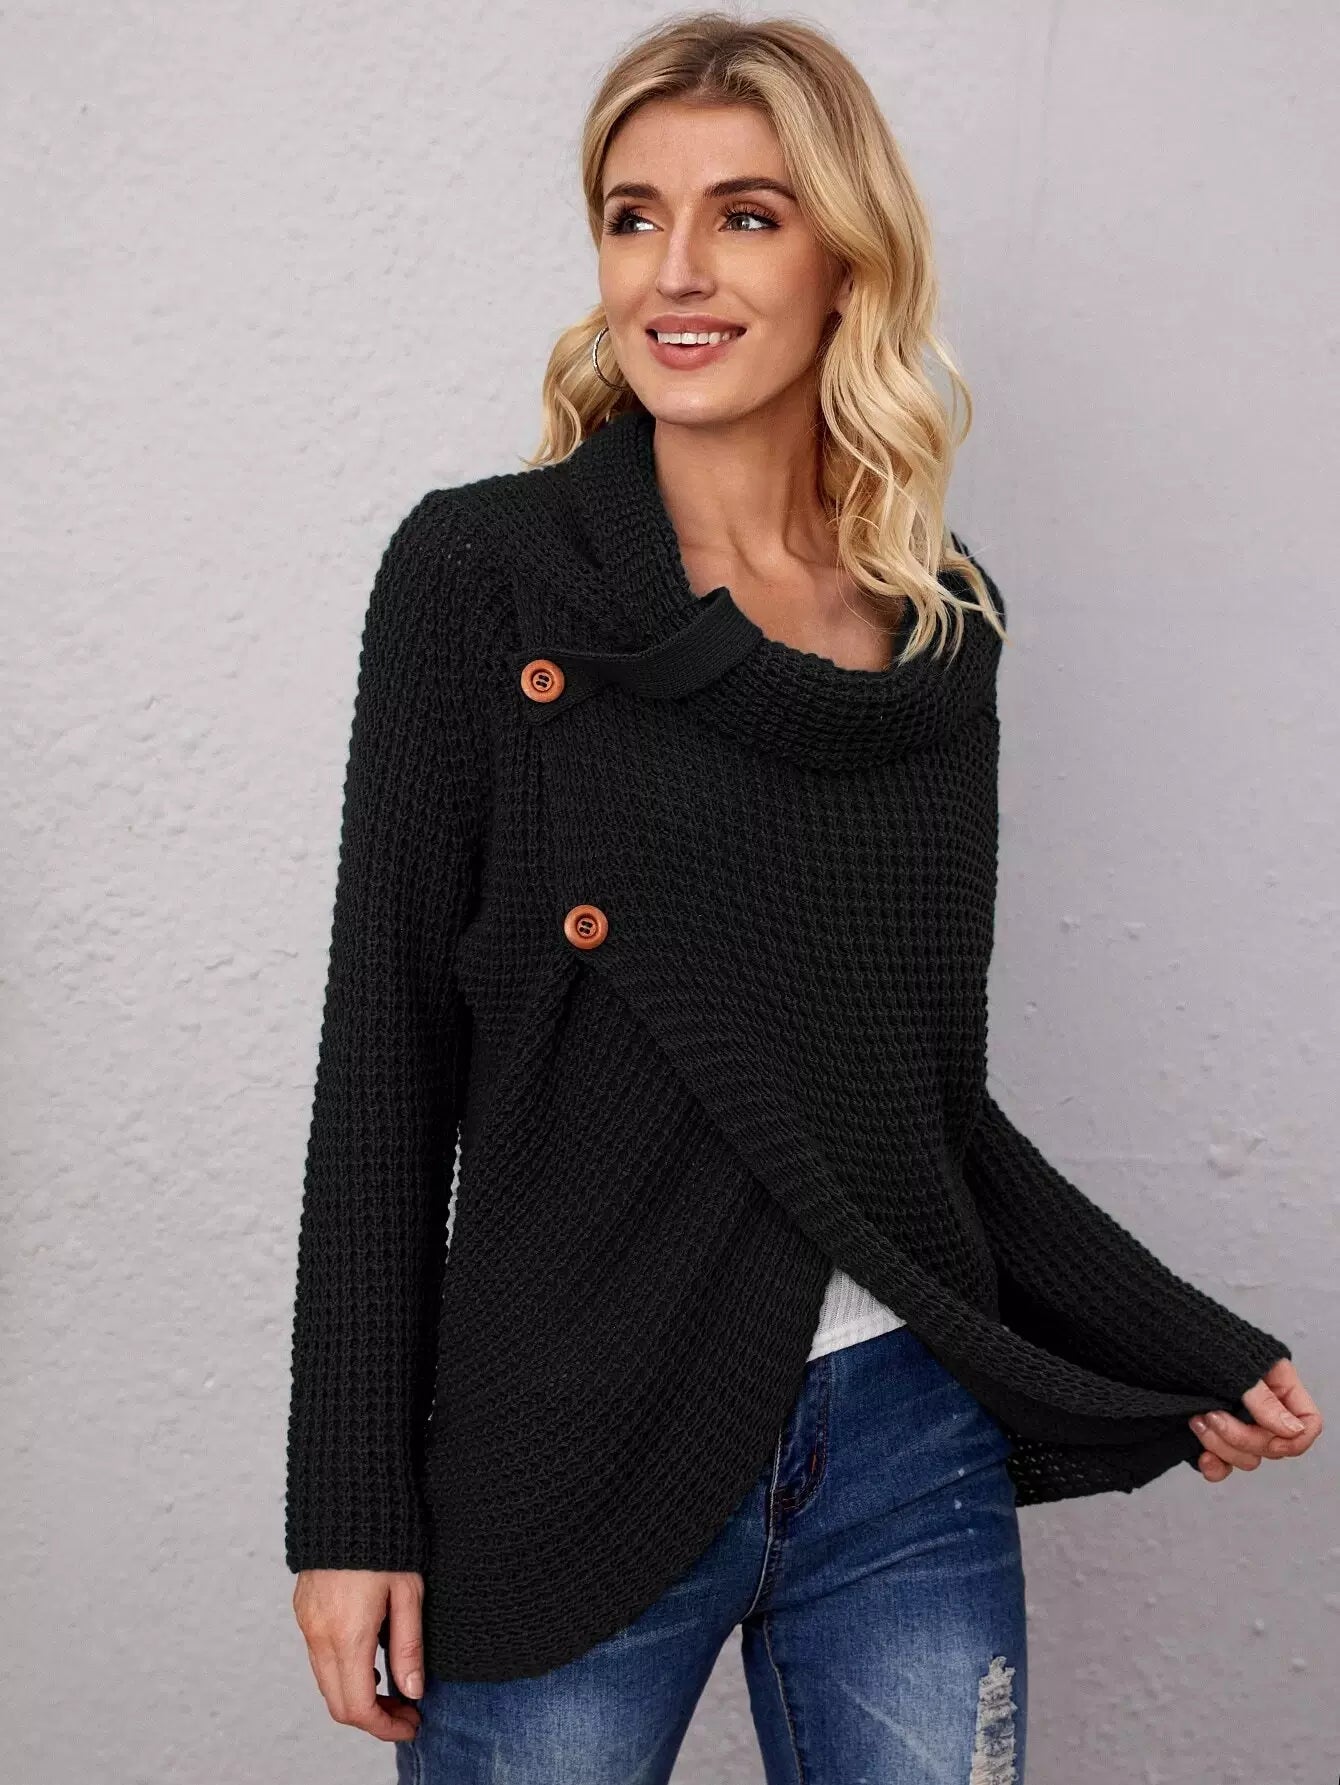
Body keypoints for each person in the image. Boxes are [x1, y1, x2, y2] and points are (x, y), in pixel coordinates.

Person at [285, 13, 1322, 1782]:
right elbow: (386, 1061)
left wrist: (1164, 1341)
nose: (676, 272)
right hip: (572, 1430)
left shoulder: (939, 623)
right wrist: (348, 1501)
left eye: (746, 217)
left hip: (902, 1441)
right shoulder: (482, 574)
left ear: (849, 258)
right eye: (634, 216)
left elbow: (909, 1106)